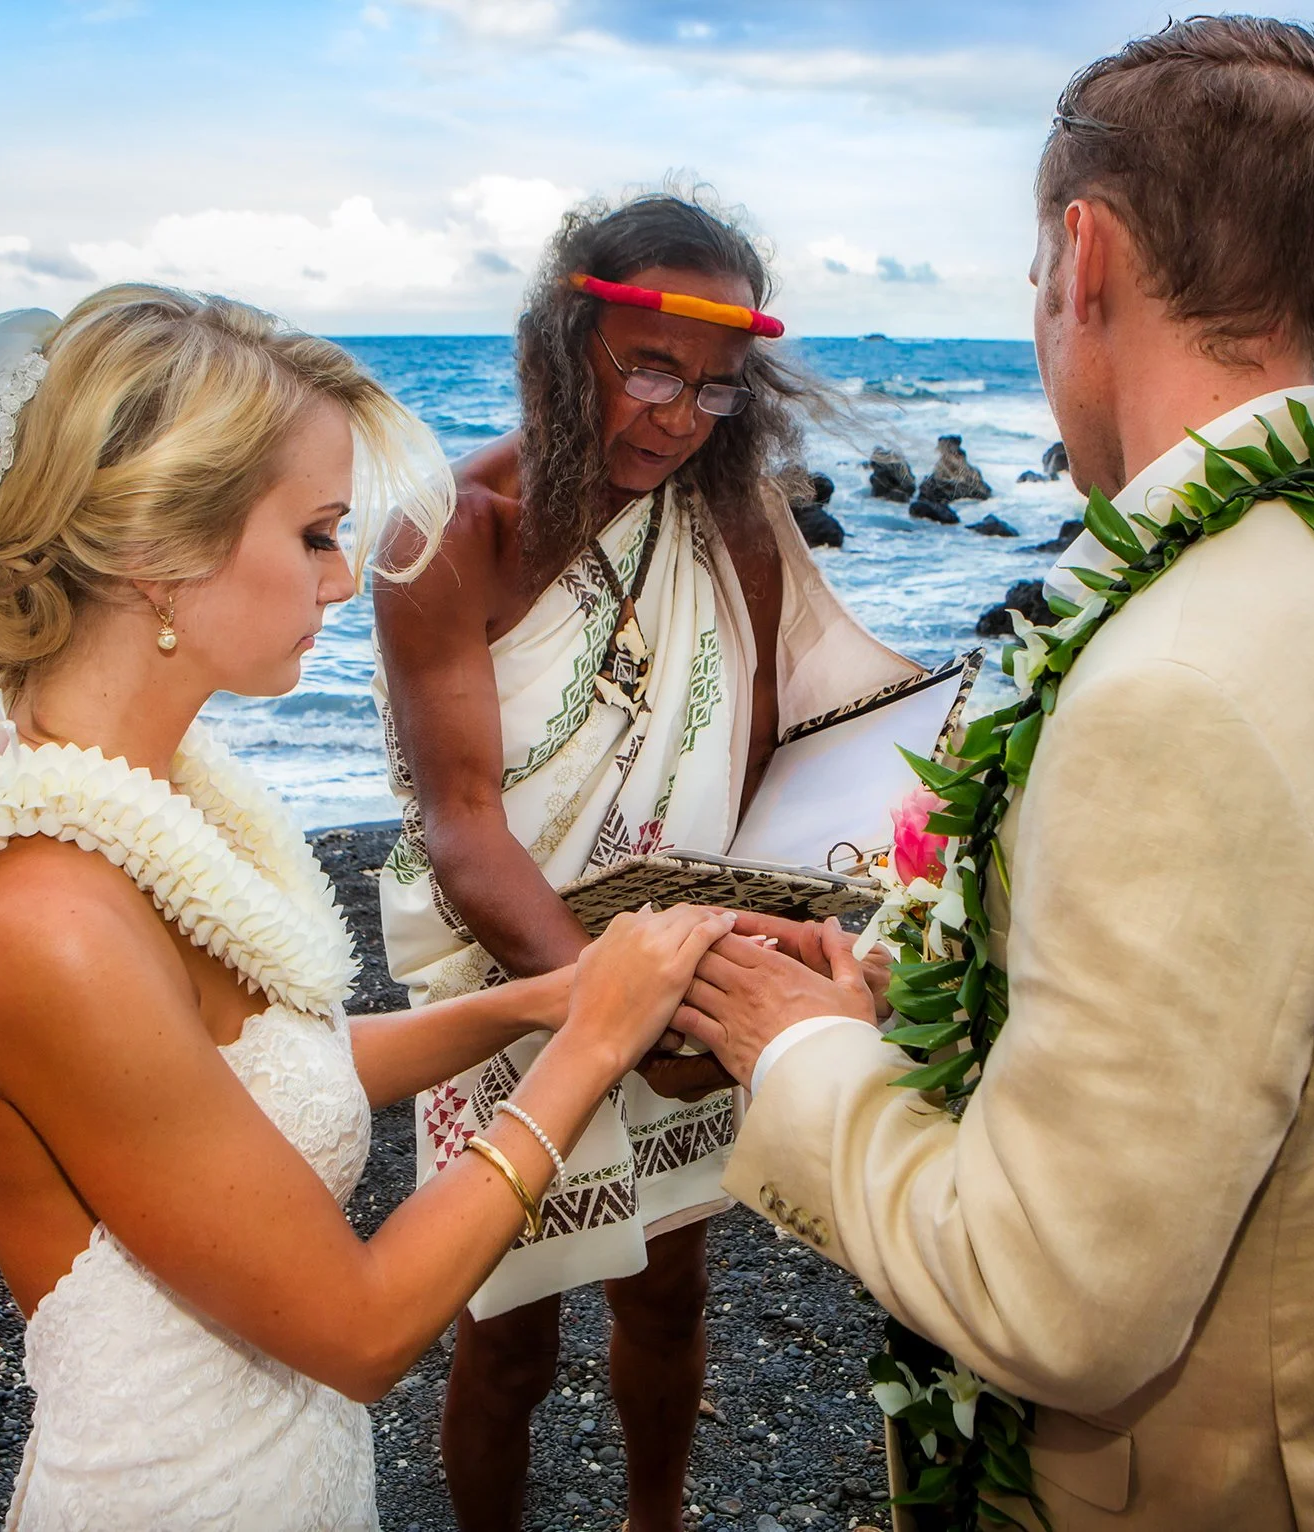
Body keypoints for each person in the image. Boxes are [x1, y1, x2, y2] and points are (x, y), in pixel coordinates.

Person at [674, 20, 1314, 1531]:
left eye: (1033, 279)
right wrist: (928, 999)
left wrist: (803, 1053)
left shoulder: (1177, 687)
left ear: (1086, 258)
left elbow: (1055, 1299)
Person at [0, 284, 743, 1530]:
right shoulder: (40, 917)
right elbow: (363, 1326)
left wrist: (546, 999)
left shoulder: (138, 800)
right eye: (317, 533)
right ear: (160, 553)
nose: (344, 581)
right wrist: (595, 1043)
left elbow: (245, 1079)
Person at [373, 193, 914, 1531]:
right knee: (507, 1333)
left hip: (682, 967)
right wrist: (610, 1008)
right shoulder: (446, 535)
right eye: (653, 370)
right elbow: (463, 824)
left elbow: (772, 759)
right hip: (510, 978)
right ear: (568, 345)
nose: (679, 419)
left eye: (717, 388)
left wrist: (754, 960)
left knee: (670, 1294)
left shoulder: (732, 528)